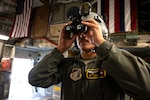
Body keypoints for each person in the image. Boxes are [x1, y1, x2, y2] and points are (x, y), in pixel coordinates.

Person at [28, 8, 150, 100]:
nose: (82, 35)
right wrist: (60, 49)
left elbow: (146, 88)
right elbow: (36, 79)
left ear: (101, 33)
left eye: (89, 31)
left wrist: (102, 44)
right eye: (79, 31)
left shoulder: (115, 62)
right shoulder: (68, 65)